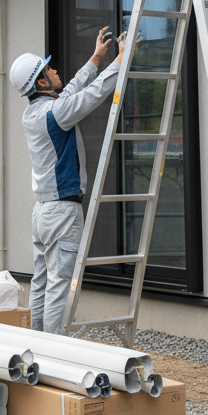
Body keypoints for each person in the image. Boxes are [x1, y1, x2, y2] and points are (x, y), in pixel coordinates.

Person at [8, 28, 128, 333]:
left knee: (42, 281)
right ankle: (53, 353)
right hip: (62, 212)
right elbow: (93, 95)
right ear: (41, 82)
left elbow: (71, 91)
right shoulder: (54, 113)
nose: (55, 69)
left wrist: (96, 58)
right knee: (60, 285)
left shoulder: (37, 112)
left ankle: (36, 344)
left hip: (43, 213)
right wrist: (120, 62)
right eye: (48, 69)